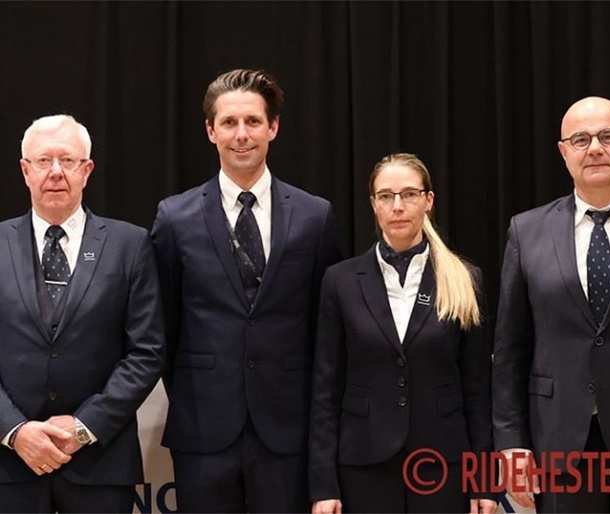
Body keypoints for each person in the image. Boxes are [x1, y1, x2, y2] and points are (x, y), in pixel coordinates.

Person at [151, 68, 342, 513]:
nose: (242, 135)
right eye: (230, 123)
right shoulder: (174, 218)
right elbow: (164, 323)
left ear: (273, 127)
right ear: (210, 130)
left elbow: (325, 329)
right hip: (203, 427)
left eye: (253, 122)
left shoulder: (315, 217)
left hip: (288, 429)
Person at [309, 153, 496, 514]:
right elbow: (325, 390)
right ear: (373, 205)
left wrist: (484, 482)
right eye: (386, 196)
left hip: (444, 464)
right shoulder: (341, 281)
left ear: (428, 200)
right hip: (364, 463)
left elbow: (478, 389)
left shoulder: (464, 279)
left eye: (409, 194)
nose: (398, 206)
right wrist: (323, 484)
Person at [0, 114, 165, 513]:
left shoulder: (130, 244)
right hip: (9, 465)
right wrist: (14, 430)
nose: (55, 172)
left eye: (68, 161)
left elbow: (147, 351)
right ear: (25, 171)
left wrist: (84, 427)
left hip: (100, 464)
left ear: (87, 170)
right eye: (43, 161)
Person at [493, 96, 610, 512]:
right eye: (580, 139)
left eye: (608, 136)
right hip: (558, 443)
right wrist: (511, 445)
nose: (595, 147)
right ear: (564, 152)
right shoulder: (526, 232)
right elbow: (510, 351)